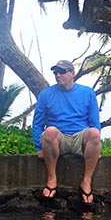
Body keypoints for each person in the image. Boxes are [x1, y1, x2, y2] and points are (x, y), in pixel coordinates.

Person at [33, 60, 102, 210]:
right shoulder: (46, 94)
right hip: (59, 139)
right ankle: (52, 178)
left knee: (94, 133)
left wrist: (96, 150)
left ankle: (86, 181)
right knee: (50, 131)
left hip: (80, 138)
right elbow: (38, 123)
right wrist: (39, 147)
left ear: (72, 73)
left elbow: (94, 122)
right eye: (55, 72)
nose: (58, 75)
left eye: (62, 71)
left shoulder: (87, 92)